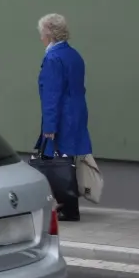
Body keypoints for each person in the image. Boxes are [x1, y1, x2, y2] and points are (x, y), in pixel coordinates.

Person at [38, 13, 91, 219]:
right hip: (76, 114)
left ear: (49, 34)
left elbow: (52, 94)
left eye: (42, 33)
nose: (40, 37)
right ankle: (69, 205)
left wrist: (49, 127)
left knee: (58, 163)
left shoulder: (53, 58)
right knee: (67, 160)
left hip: (61, 116)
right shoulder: (73, 54)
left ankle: (68, 208)